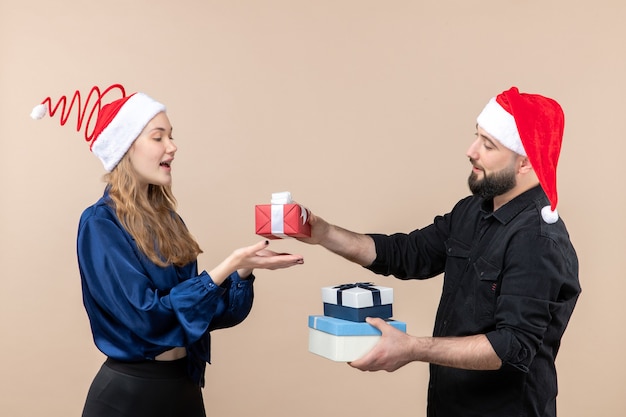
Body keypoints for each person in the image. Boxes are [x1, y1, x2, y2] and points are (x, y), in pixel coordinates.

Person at [296, 87, 581, 417]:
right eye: (477, 137)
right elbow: (405, 253)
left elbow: (512, 346)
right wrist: (325, 233)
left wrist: (413, 348)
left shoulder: (537, 239)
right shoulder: (472, 211)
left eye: (488, 145)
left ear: (525, 162)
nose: (471, 151)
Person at [31, 85, 304, 417]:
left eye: (170, 137)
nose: (172, 147)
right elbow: (147, 317)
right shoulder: (100, 224)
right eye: (158, 137)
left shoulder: (170, 221)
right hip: (127, 398)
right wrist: (223, 268)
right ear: (124, 148)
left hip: (183, 388)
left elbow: (203, 316)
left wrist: (243, 271)